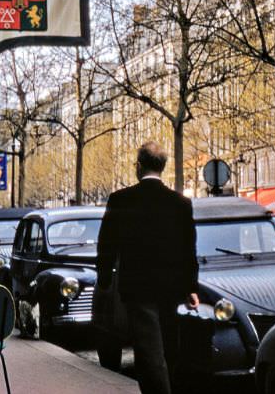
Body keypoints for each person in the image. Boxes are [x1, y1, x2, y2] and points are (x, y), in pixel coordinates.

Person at [97, 141, 199, 394]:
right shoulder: (180, 204)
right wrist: (191, 287)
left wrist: (105, 278)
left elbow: (106, 244)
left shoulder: (121, 200)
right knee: (165, 347)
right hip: (172, 287)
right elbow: (189, 249)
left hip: (138, 287)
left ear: (139, 166)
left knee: (148, 351)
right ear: (163, 167)